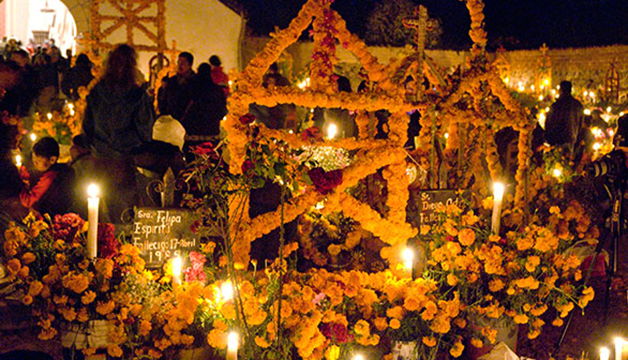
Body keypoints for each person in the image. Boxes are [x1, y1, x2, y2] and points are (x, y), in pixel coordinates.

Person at [82, 44, 155, 222]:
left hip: (100, 158)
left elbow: (87, 127)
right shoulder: (137, 96)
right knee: (123, 211)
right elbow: (146, 131)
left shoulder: (97, 92)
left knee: (99, 208)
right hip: (125, 161)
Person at [19, 137, 75, 217]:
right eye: (33, 158)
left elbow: (29, 201)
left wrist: (20, 183)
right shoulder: (41, 170)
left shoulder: (51, 176)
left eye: (38, 161)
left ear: (52, 160)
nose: (34, 163)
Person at [181, 63, 227, 155]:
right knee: (210, 160)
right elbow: (222, 110)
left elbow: (182, 105)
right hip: (211, 130)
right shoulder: (217, 90)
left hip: (192, 131)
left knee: (192, 159)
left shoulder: (190, 88)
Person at [544, 80, 584, 158]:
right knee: (567, 164)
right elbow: (580, 124)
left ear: (560, 90)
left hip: (557, 140)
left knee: (556, 163)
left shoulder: (556, 105)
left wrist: (548, 138)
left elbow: (549, 123)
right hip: (571, 139)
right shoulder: (578, 105)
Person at [158, 51, 195, 121]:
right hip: (171, 121)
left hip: (188, 122)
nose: (180, 65)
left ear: (190, 64)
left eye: (183, 63)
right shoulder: (172, 81)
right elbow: (164, 99)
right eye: (179, 62)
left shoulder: (195, 82)